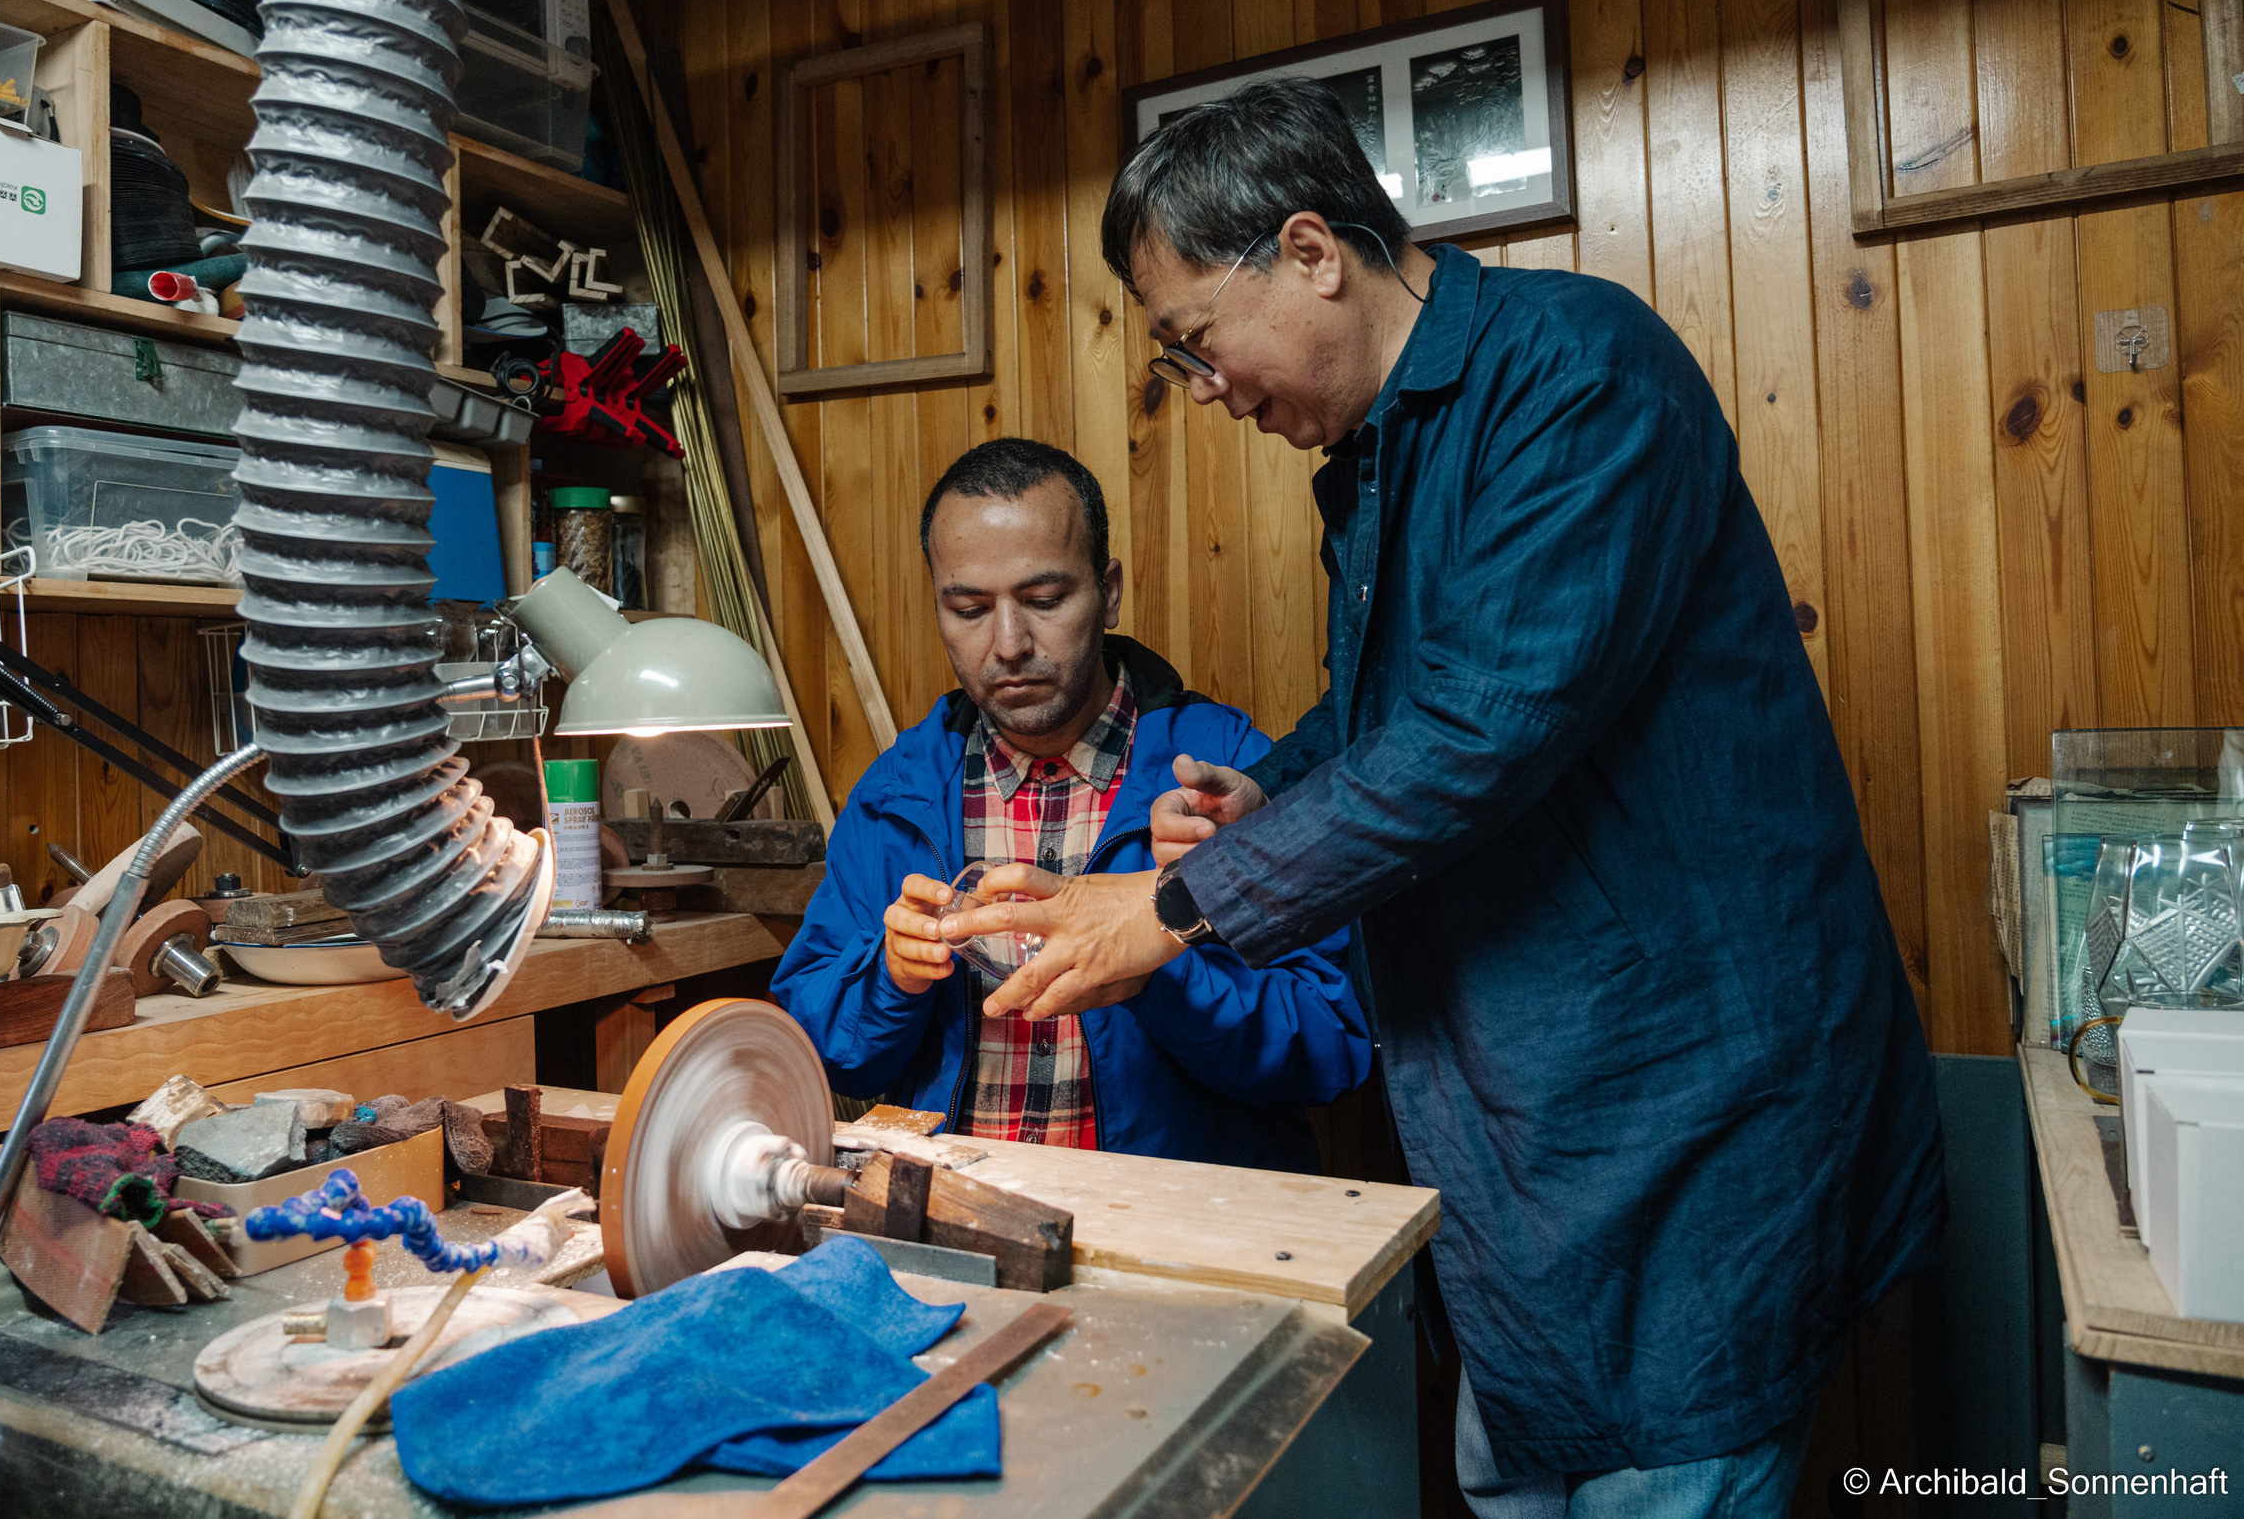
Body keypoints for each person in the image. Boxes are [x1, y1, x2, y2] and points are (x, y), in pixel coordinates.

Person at [940, 80, 1945, 1514]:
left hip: (1684, 1100)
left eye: (1194, 343)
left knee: (1677, 1442)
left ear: (1307, 251)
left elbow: (1488, 725)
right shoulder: (1375, 457)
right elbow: (1387, 716)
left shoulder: (1582, 377)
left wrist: (1177, 903)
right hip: (1519, 1141)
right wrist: (1263, 790)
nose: (1208, 388)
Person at [771, 438, 1371, 1169]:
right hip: (962, 1219)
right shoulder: (899, 792)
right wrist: (890, 980)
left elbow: (1330, 1045)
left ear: (1109, 591)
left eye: (1044, 600)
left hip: (1166, 1231)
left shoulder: (1231, 772)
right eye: (967, 609)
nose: (1009, 644)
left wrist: (1155, 966)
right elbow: (824, 1053)